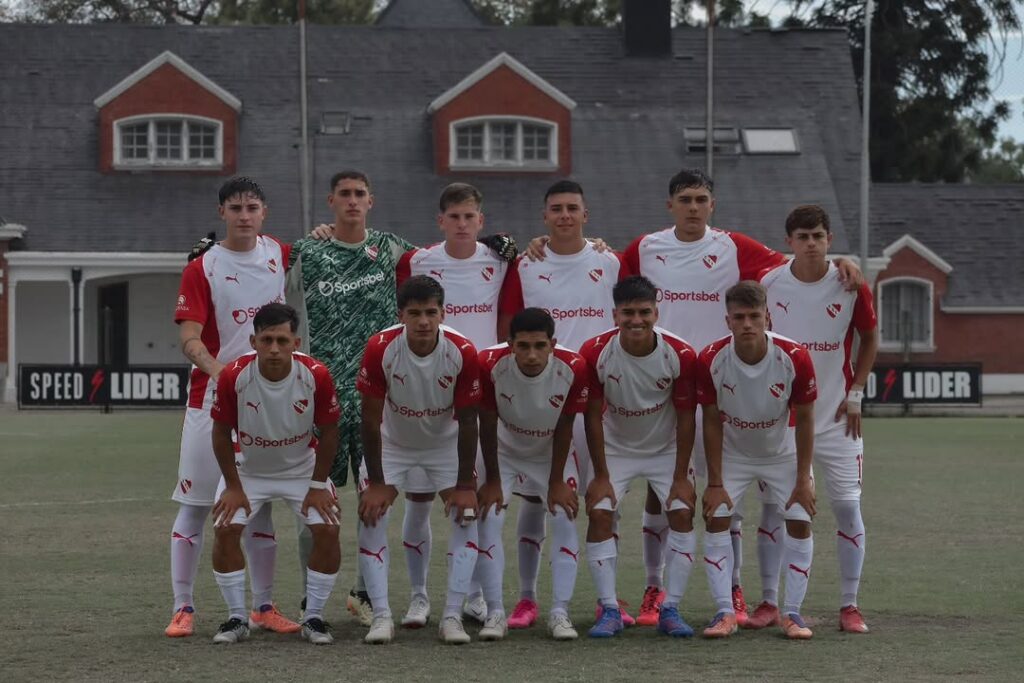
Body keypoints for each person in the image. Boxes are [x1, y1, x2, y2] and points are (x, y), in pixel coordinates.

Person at [621, 168, 862, 625]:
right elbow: (609, 274)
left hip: (720, 385)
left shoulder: (734, 247)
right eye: (685, 199)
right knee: (661, 492)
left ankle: (733, 593)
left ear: (713, 206)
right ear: (669, 205)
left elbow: (801, 263)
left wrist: (841, 261)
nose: (694, 207)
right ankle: (654, 589)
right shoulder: (644, 248)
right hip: (664, 385)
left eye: (701, 199)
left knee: (722, 499)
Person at [496, 179, 634, 629]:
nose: (565, 216)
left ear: (586, 214)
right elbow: (508, 327)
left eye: (573, 207)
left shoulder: (610, 261)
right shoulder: (526, 264)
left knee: (600, 502)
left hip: (598, 402)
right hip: (542, 399)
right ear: (544, 216)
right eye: (556, 208)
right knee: (535, 502)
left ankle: (607, 601)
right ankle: (527, 598)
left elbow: (636, 311)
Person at [167, 177, 296, 638]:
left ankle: (263, 606)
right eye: (236, 207)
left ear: (264, 213)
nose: (244, 215)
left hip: (267, 404)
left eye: (253, 207)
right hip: (212, 400)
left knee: (258, 508)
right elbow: (188, 337)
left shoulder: (281, 253)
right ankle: (183, 607)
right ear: (222, 212)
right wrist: (222, 372)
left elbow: (336, 246)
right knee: (197, 505)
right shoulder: (202, 267)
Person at [755, 205, 878, 633]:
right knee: (776, 509)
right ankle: (769, 601)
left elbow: (870, 336)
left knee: (847, 507)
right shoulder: (769, 284)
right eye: (803, 236)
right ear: (789, 241)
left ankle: (849, 604)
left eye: (819, 236)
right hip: (784, 424)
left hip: (839, 419)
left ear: (829, 240)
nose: (812, 243)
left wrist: (856, 393)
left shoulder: (850, 282)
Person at [394, 183, 510, 629]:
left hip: (477, 395)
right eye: (454, 217)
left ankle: (474, 596)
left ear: (481, 221)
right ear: (440, 221)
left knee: (474, 497)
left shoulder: (501, 259)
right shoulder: (417, 262)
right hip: (425, 391)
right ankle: (420, 597)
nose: (462, 224)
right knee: (419, 499)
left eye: (470, 217)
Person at [355, 275, 482, 645]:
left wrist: (463, 485)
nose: (424, 321)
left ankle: (453, 616)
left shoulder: (462, 350)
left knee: (466, 516)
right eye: (415, 313)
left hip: (444, 445)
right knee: (371, 517)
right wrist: (377, 483)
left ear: (443, 313)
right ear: (401, 315)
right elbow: (369, 418)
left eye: (431, 312)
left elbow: (470, 419)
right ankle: (382, 616)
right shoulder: (381, 347)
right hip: (394, 445)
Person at [206, 303, 342, 645]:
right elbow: (221, 433)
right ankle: (236, 618)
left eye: (282, 339)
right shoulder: (234, 377)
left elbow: (330, 432)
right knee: (225, 529)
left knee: (327, 529)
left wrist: (316, 485)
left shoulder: (316, 375)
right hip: (248, 470)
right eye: (266, 340)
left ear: (296, 341)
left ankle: (314, 617)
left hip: (301, 469)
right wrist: (234, 487)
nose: (274, 348)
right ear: (253, 341)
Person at [577, 276, 699, 638]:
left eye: (644, 312)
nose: (636, 320)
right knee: (600, 513)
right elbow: (593, 416)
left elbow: (686, 417)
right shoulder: (595, 351)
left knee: (681, 512)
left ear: (656, 313)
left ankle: (671, 608)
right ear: (614, 315)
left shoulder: (680, 353)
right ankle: (610, 609)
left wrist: (681, 476)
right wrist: (600, 474)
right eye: (627, 312)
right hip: (616, 448)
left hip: (665, 448)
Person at [697, 281, 818, 640]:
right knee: (717, 517)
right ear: (728, 321)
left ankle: (793, 614)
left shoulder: (795, 356)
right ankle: (724, 612)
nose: (747, 324)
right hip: (734, 454)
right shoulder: (711, 359)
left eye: (754, 316)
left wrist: (802, 480)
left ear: (768, 317)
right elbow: (711, 421)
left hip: (782, 454)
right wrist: (715, 483)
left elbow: (807, 419)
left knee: (798, 518)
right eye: (739, 317)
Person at [475, 307, 591, 641]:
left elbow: (567, 424)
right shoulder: (488, 363)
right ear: (509, 343)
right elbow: (486, 420)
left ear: (553, 343)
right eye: (522, 346)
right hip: (504, 452)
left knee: (564, 517)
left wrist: (555, 482)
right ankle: (495, 612)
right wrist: (494, 480)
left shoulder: (574, 367)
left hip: (549, 454)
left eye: (540, 346)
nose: (531, 354)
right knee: (490, 519)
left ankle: (560, 613)